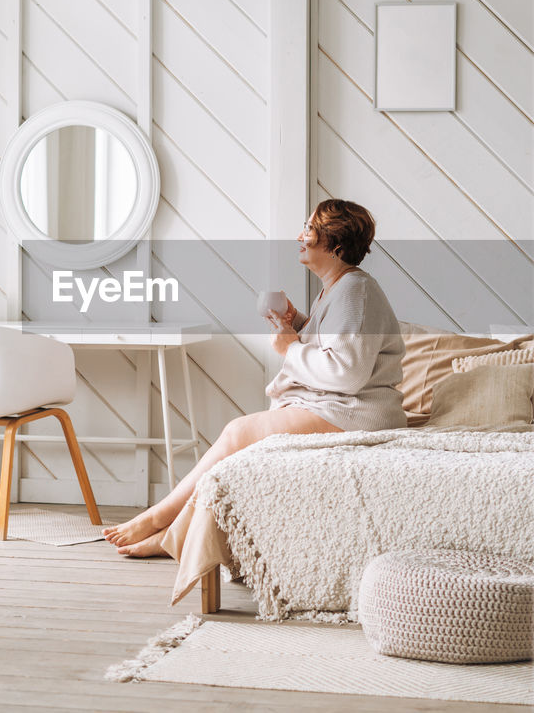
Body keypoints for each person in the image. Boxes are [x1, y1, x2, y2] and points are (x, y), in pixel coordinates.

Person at [103, 198, 406, 556]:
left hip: (356, 413)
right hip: (339, 407)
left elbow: (349, 373)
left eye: (309, 230)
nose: (300, 235)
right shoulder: (338, 288)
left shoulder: (355, 290)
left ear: (335, 244)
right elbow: (339, 350)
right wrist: (299, 325)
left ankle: (159, 519)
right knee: (240, 441)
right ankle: (175, 534)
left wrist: (289, 348)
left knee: (238, 432)